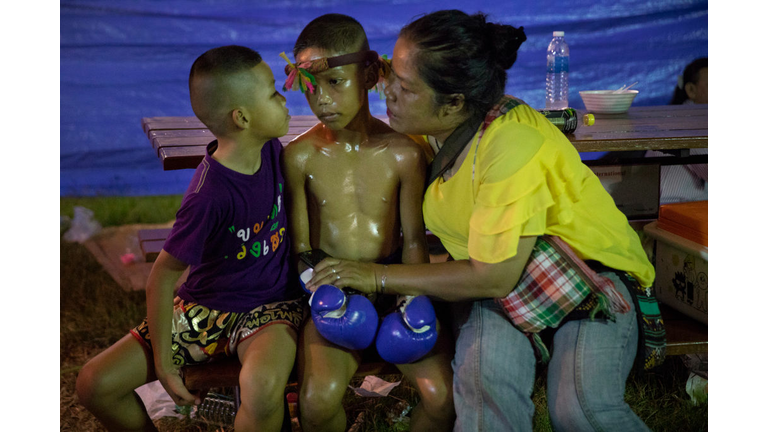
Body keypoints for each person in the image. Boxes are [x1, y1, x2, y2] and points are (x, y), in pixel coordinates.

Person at [306, 10, 656, 432]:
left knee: (579, 410)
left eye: (404, 85)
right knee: (482, 400)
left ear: (454, 102)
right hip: (491, 282)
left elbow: (493, 277)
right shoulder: (426, 129)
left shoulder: (511, 143)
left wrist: (377, 276)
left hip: (586, 282)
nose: (388, 90)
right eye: (388, 72)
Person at [76, 45, 303, 432]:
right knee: (94, 383)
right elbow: (162, 277)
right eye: (272, 92)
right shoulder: (208, 197)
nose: (284, 96)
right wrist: (164, 365)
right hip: (202, 314)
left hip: (270, 310)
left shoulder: (271, 149)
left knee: (262, 387)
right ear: (243, 117)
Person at [280, 13, 455, 432]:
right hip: (333, 298)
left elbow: (414, 238)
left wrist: (409, 294)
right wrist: (321, 293)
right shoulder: (299, 157)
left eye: (334, 82)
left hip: (394, 285)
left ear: (371, 74)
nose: (322, 100)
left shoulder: (405, 154)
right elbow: (301, 247)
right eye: (310, 88)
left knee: (443, 398)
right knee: (317, 402)